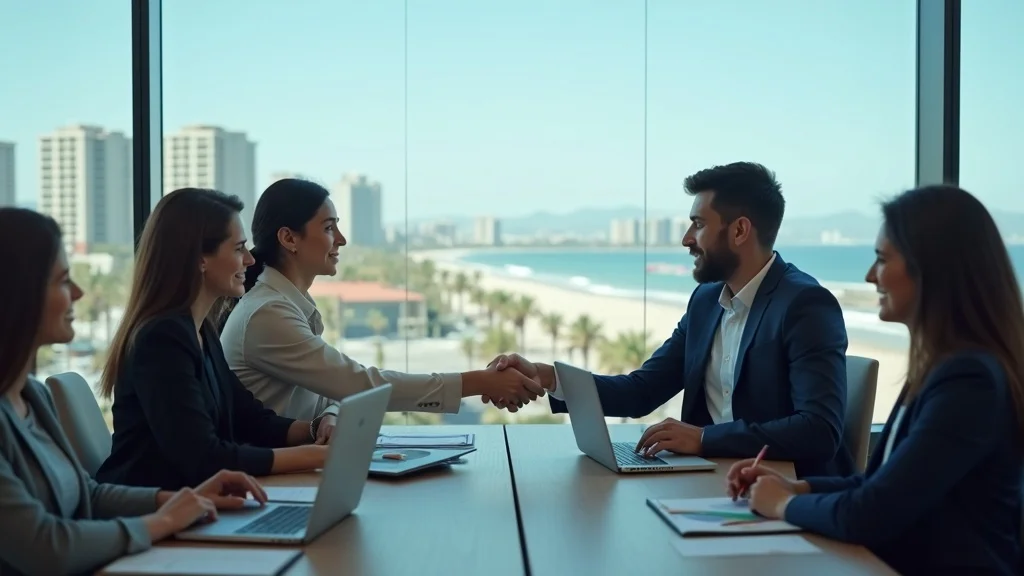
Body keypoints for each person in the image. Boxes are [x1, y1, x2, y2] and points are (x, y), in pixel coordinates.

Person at [727, 185, 1023, 575]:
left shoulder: (969, 381)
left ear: (930, 268)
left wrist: (781, 505)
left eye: (882, 260)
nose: (870, 276)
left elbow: (870, 514)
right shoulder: (942, 366)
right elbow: (882, 485)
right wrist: (797, 488)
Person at [489, 162, 853, 478]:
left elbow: (819, 430)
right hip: (710, 481)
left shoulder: (805, 305)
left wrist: (704, 439)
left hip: (783, 494)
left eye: (698, 224)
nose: (686, 239)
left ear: (740, 231)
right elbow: (641, 391)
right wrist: (549, 377)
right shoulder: (706, 301)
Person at [0, 208, 269, 576]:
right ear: (18, 294)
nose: (79, 293)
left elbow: (88, 496)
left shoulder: (33, 398)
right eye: (63, 281)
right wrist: (163, 521)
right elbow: (47, 547)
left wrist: (182, 500)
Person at [216, 178, 543, 427]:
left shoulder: (284, 304)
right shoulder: (267, 314)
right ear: (289, 238)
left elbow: (329, 388)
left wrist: (329, 415)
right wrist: (479, 382)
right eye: (329, 228)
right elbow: (360, 383)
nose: (341, 239)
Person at [96, 189, 331, 491]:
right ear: (200, 260)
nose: (249, 259)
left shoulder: (201, 330)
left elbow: (250, 420)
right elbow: (204, 458)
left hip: (193, 504)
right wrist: (314, 456)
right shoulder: (162, 341)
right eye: (238, 249)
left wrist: (317, 430)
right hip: (154, 516)